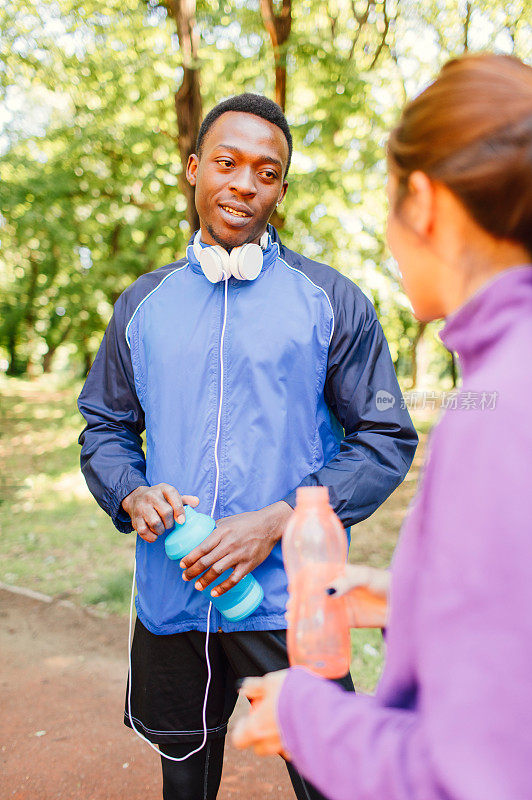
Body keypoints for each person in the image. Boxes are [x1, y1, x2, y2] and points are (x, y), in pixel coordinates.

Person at [78, 92, 417, 800]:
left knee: (328, 777)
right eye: (227, 163)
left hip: (290, 598)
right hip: (173, 596)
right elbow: (105, 428)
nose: (244, 183)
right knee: (184, 778)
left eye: (266, 172)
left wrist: (280, 518)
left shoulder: (332, 300)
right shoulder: (142, 305)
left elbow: (383, 437)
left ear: (281, 190)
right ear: (194, 168)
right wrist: (131, 491)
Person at [232, 54, 532, 800]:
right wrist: (415, 600)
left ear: (423, 203)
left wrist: (304, 719)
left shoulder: (495, 405)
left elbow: (473, 776)